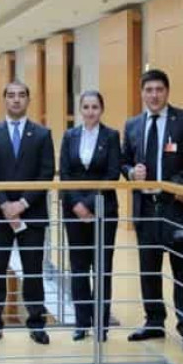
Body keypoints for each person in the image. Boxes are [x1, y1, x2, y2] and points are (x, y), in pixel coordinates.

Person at [121, 69, 183, 351]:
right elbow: (123, 161)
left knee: (182, 271)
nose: (154, 95)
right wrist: (130, 171)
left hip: (177, 208)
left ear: (167, 92)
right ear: (142, 93)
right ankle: (154, 322)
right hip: (146, 209)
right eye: (149, 90)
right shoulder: (133, 125)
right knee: (148, 270)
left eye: (159, 90)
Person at [0, 80, 55, 346]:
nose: (16, 99)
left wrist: (21, 204)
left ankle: (36, 323)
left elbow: (46, 174)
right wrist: (5, 206)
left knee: (33, 271)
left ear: (28, 100)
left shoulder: (42, 134)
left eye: (21, 95)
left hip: (31, 215)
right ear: (4, 99)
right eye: (11, 95)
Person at [59, 90, 121, 342]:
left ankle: (101, 325)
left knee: (102, 269)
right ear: (80, 110)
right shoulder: (69, 136)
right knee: (79, 268)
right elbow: (64, 173)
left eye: (95, 107)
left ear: (101, 109)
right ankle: (82, 322)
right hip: (73, 211)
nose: (90, 111)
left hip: (103, 209)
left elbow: (112, 173)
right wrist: (77, 204)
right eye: (86, 107)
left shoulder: (111, 136)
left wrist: (89, 204)